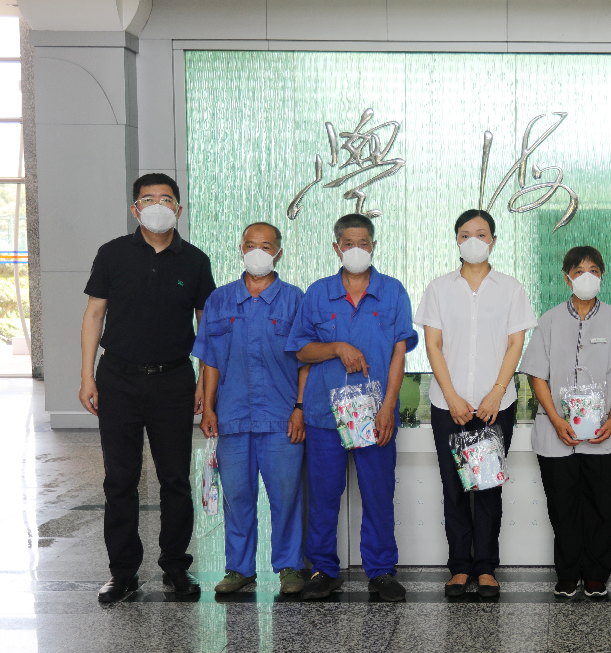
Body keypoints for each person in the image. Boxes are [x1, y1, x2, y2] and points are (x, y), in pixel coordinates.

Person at [80, 173, 216, 603]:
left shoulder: (195, 260)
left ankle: (175, 566)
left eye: (167, 199)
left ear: (179, 208)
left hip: (173, 380)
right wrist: (86, 375)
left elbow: (206, 327)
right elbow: (94, 314)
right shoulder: (113, 253)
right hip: (117, 378)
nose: (158, 205)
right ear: (135, 208)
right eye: (148, 198)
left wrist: (203, 382)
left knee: (175, 478)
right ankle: (123, 572)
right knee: (120, 479)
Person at [286, 213, 418, 602]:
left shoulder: (393, 292)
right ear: (336, 247)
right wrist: (337, 348)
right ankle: (323, 570)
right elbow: (301, 350)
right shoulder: (317, 293)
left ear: (373, 246)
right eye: (348, 243)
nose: (356, 249)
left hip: (374, 413)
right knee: (323, 495)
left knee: (378, 493)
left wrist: (388, 407)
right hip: (324, 414)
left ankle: (381, 571)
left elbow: (399, 354)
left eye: (363, 243)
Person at [415, 209, 537, 598]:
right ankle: (459, 567)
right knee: (453, 487)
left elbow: (516, 343)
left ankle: (485, 567)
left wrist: (498, 390)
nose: (473, 240)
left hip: (494, 405)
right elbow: (433, 344)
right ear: (456, 240)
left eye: (481, 234)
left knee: (486, 487)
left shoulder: (511, 289)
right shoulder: (438, 288)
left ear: (493, 241)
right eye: (465, 234)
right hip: (447, 404)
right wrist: (452, 397)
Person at [193, 222, 309, 596]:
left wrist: (300, 408)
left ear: (279, 253)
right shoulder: (220, 300)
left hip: (281, 418)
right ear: (241, 249)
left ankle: (290, 567)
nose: (257, 252)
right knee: (237, 497)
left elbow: (306, 361)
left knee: (286, 497)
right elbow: (210, 359)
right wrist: (208, 409)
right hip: (232, 416)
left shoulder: (295, 300)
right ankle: (239, 569)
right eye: (250, 245)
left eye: (266, 246)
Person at [520, 246, 611, 599]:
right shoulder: (549, 321)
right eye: (579, 270)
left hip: (604, 431)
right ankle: (568, 573)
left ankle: (597, 574)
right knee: (563, 505)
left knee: (601, 504)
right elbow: (536, 375)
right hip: (557, 431)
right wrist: (556, 420)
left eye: (594, 270)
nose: (587, 277)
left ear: (602, 276)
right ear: (566, 277)